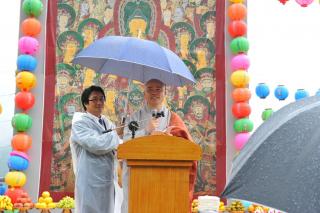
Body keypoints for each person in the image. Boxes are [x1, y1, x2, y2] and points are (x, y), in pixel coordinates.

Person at [121, 79, 197, 213]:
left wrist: (168, 138)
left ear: (165, 93)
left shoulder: (172, 118)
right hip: (137, 177)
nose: (154, 93)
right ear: (144, 93)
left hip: (164, 176)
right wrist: (146, 131)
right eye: (150, 89)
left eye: (158, 89)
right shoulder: (133, 118)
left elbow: (187, 148)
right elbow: (125, 144)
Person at [70, 85, 122, 213]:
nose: (99, 102)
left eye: (102, 99)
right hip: (90, 179)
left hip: (106, 179)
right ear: (86, 103)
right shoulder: (80, 123)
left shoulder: (106, 122)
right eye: (94, 99)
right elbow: (96, 144)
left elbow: (117, 144)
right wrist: (116, 134)